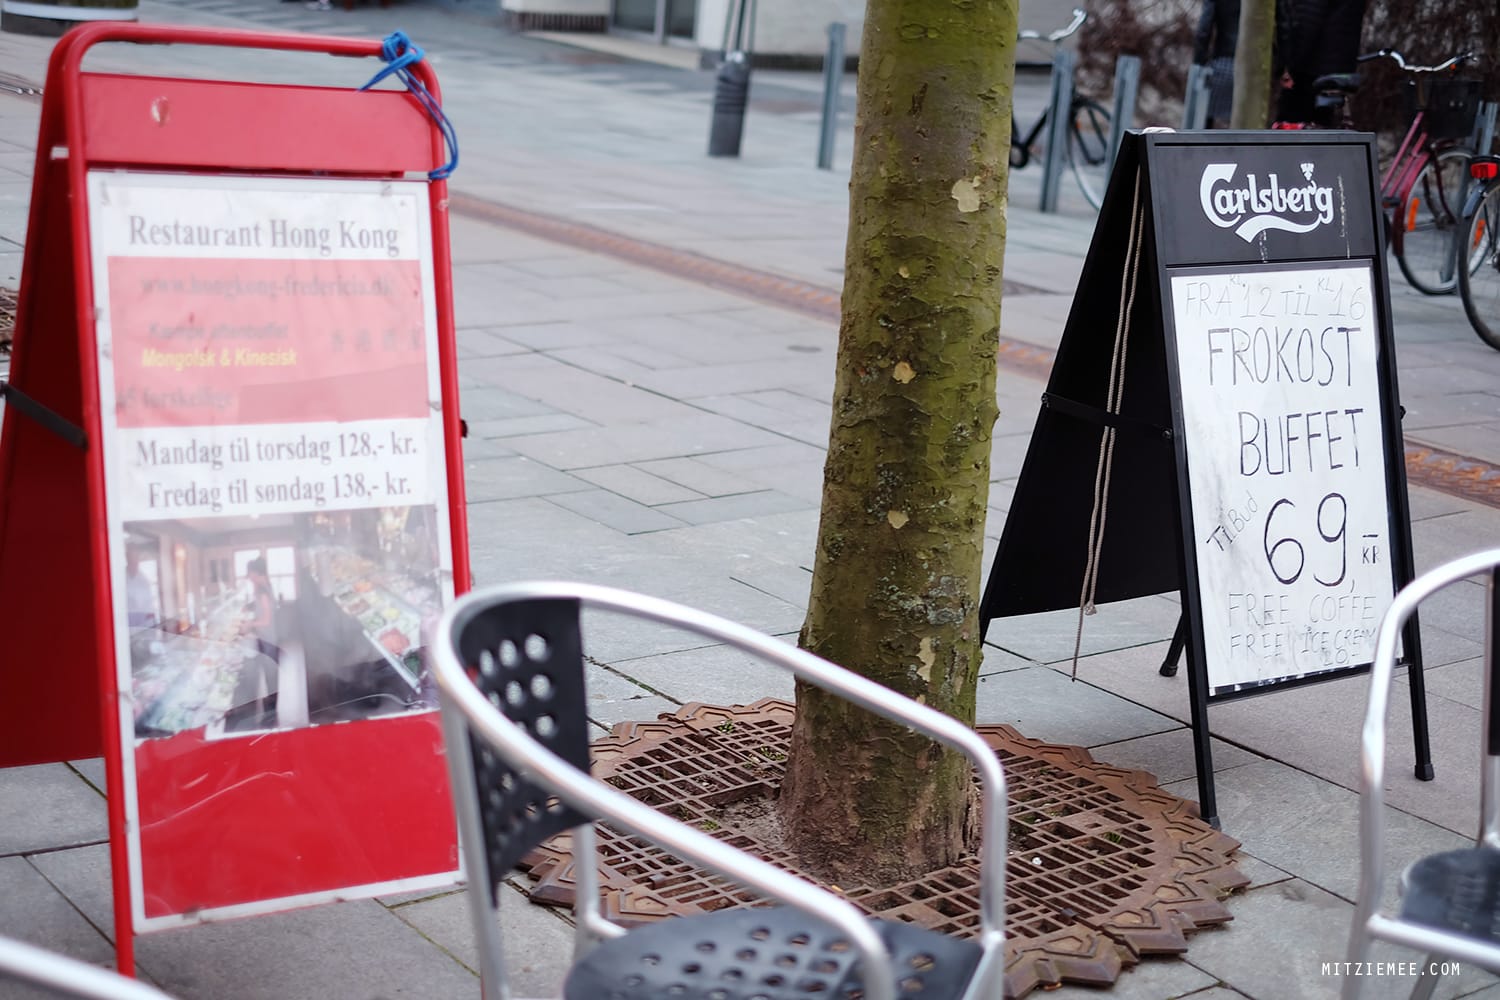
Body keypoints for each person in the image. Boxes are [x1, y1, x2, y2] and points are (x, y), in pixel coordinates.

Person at [1275, 0, 1369, 125]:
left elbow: (1309, 22)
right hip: (1337, 67)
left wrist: (1289, 67)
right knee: (1323, 127)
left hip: (1311, 70)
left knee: (1291, 128)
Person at [1193, 0, 1240, 128]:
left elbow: (1204, 28)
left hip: (1223, 62)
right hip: (1255, 71)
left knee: (1204, 120)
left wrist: (1199, 62)